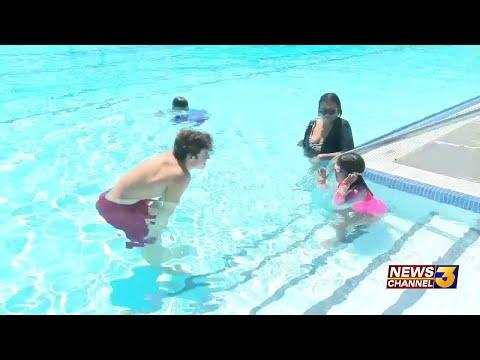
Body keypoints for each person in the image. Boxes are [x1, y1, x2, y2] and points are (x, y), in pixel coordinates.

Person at [96, 129, 213, 250]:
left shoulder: (172, 155)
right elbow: (167, 210)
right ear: (190, 156)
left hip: (111, 198)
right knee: (152, 246)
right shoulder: (181, 176)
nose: (208, 158)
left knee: (154, 214)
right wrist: (154, 234)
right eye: (205, 154)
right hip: (115, 209)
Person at [317, 152, 387, 242]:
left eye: (336, 171)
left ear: (349, 175)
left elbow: (337, 203)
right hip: (360, 209)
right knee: (339, 214)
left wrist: (344, 185)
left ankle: (340, 241)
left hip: (372, 215)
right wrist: (322, 182)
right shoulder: (346, 185)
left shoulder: (358, 192)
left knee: (339, 223)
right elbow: (333, 192)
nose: (334, 173)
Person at [299, 93, 354, 162]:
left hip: (329, 166)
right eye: (324, 111)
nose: (327, 115)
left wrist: (322, 157)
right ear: (319, 109)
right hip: (309, 163)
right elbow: (304, 143)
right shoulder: (312, 123)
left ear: (338, 110)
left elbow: (349, 152)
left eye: (331, 111)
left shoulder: (343, 125)